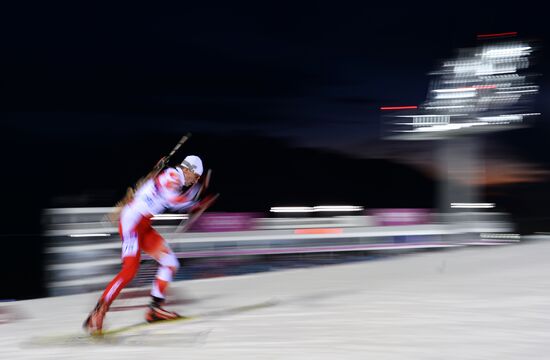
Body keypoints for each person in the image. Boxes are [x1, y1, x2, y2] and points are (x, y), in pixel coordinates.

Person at [84, 155, 206, 335]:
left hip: (143, 225)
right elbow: (173, 201)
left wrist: (191, 200)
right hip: (131, 223)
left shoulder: (172, 177)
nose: (195, 180)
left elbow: (156, 189)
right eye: (195, 176)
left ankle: (154, 310)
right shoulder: (173, 175)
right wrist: (195, 203)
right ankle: (98, 312)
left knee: (170, 262)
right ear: (188, 169)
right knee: (129, 270)